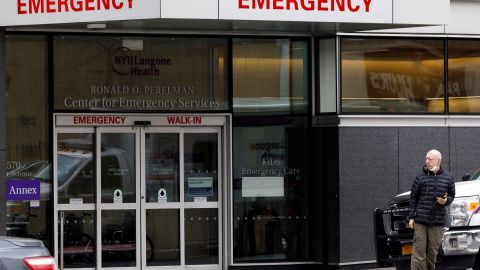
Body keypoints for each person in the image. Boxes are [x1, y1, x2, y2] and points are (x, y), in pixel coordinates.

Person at [408, 149, 455, 270]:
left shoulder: (448, 177)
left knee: (432, 254)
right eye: (426, 158)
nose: (427, 161)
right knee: (419, 253)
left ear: (438, 160)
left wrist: (446, 201)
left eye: (430, 159)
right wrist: (411, 217)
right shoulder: (420, 177)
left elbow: (451, 195)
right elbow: (413, 198)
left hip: (437, 222)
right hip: (421, 221)